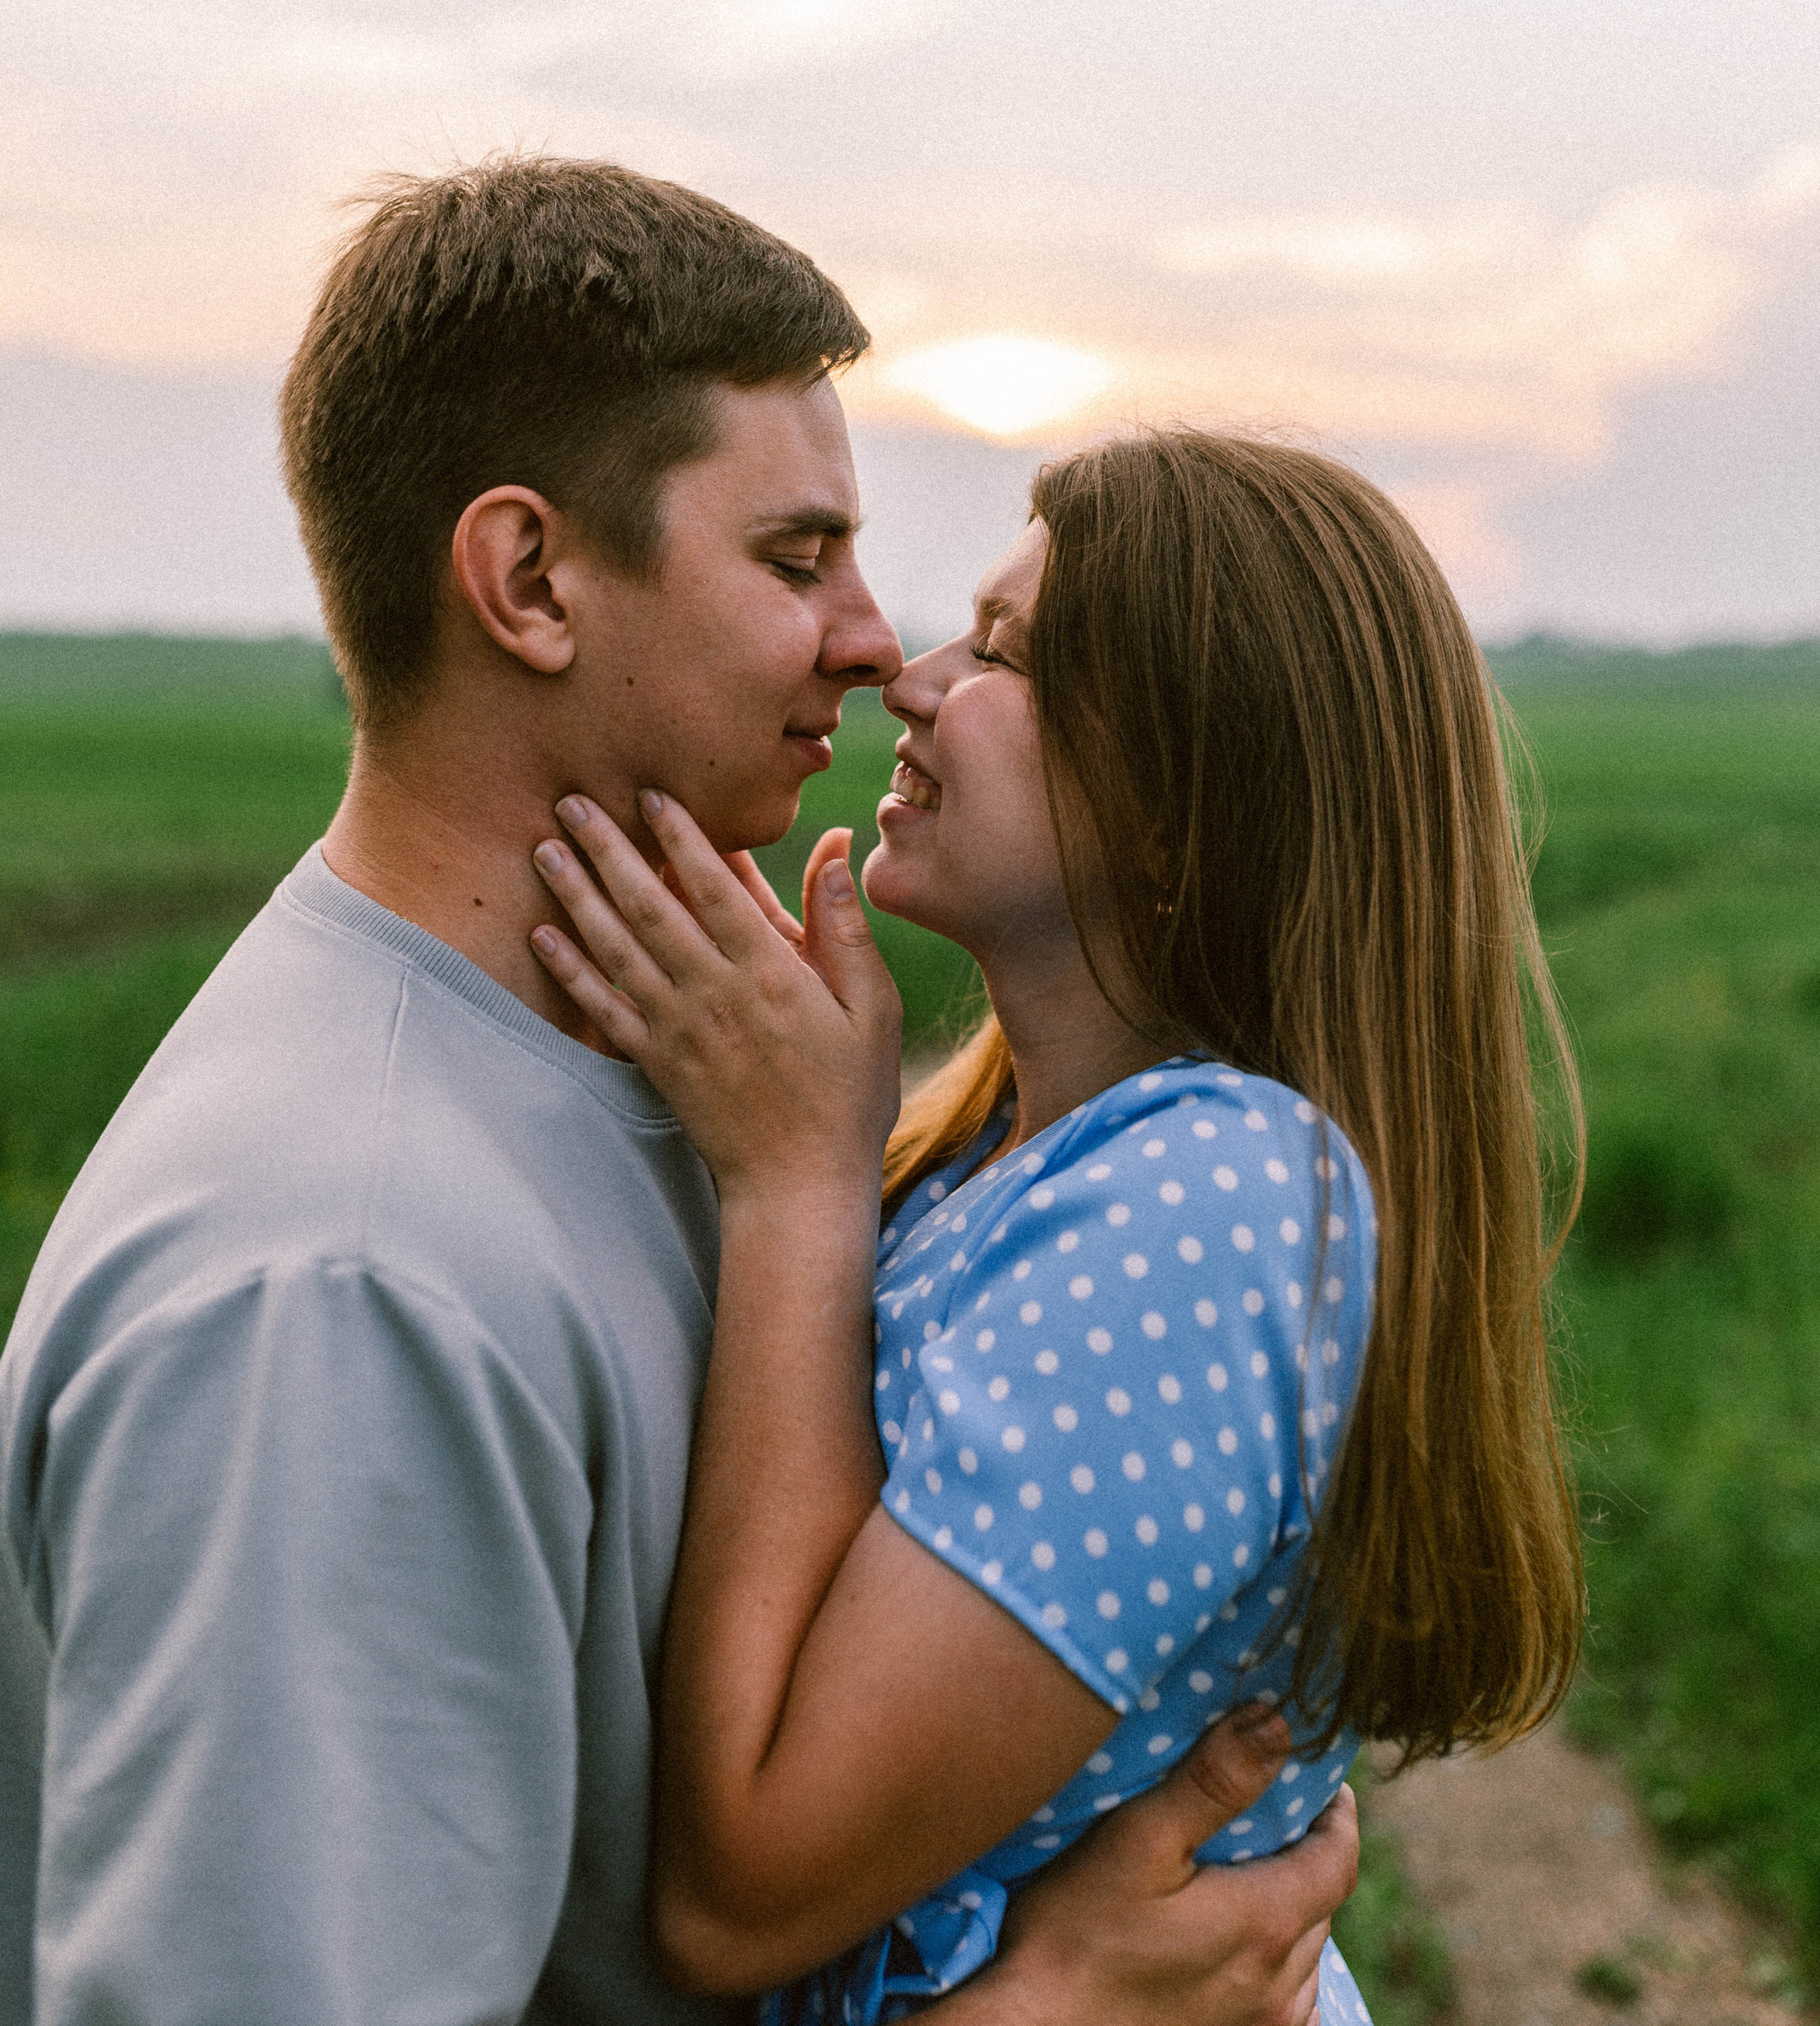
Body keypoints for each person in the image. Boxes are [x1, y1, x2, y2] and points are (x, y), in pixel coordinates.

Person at [0, 158, 1357, 2026]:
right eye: (796, 561)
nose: (881, 646)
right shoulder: (332, 1287)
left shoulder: (674, 1081)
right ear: (533, 582)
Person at [527, 429, 1588, 2023]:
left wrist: (798, 1182)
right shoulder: (1009, 1156)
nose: (916, 678)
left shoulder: (1207, 1200)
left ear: (1183, 798)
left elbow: (745, 1889)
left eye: (1007, 650)